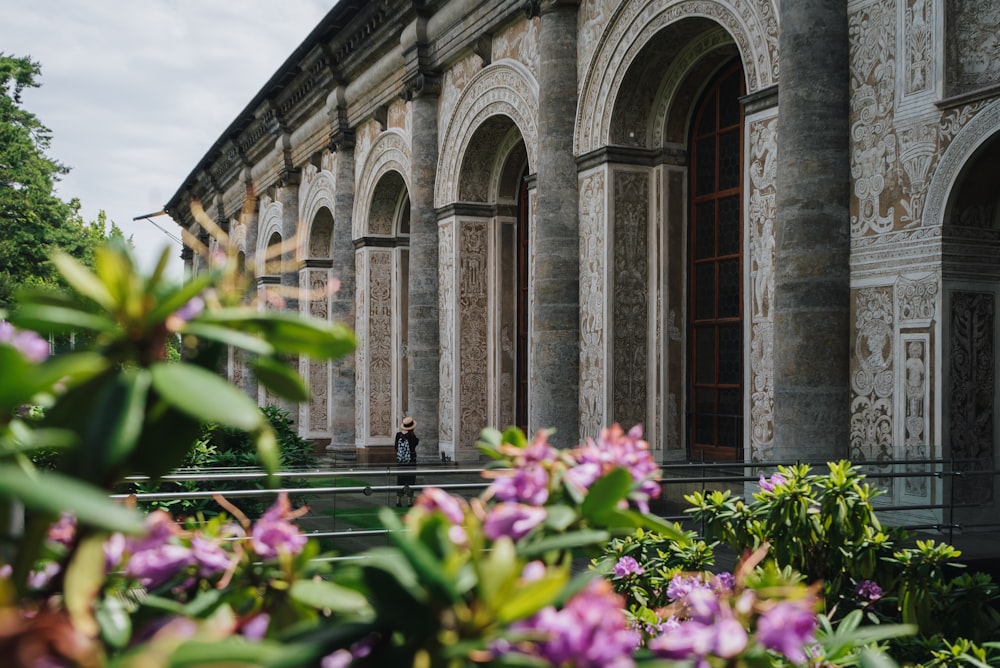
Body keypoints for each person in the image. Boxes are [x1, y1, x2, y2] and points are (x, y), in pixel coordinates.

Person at [394, 416, 418, 507]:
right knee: (410, 480)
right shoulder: (412, 436)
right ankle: (409, 501)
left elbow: (395, 447)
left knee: (400, 480)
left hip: (400, 461)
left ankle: (398, 500)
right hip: (411, 461)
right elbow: (415, 445)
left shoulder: (398, 435)